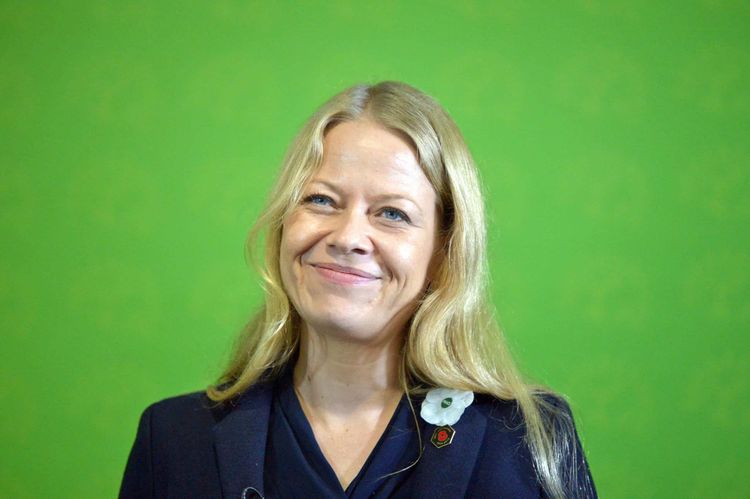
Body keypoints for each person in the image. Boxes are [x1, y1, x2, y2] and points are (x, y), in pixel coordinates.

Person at [119, 81, 597, 498]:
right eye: (321, 200)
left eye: (392, 213)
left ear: (443, 252)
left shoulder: (531, 437)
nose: (347, 237)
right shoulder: (172, 439)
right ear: (283, 226)